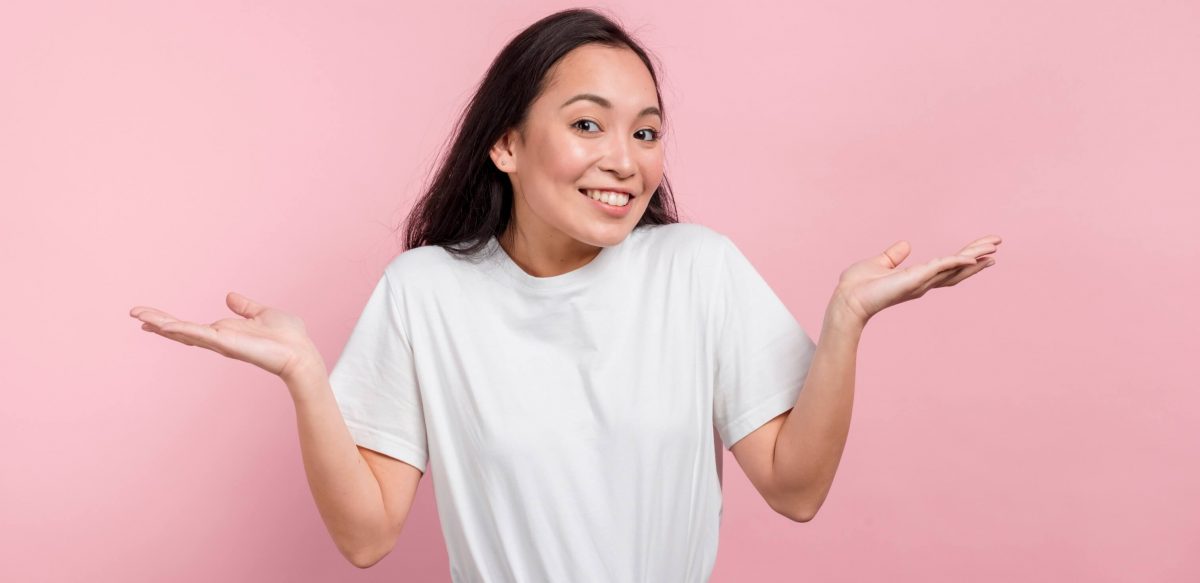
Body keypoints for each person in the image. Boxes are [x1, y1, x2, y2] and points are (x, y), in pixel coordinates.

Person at [129, 7, 1001, 582]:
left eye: (645, 131)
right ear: (505, 144)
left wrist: (845, 319)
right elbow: (367, 535)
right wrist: (305, 375)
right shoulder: (427, 292)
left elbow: (796, 487)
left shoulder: (697, 270)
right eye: (587, 123)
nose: (625, 157)